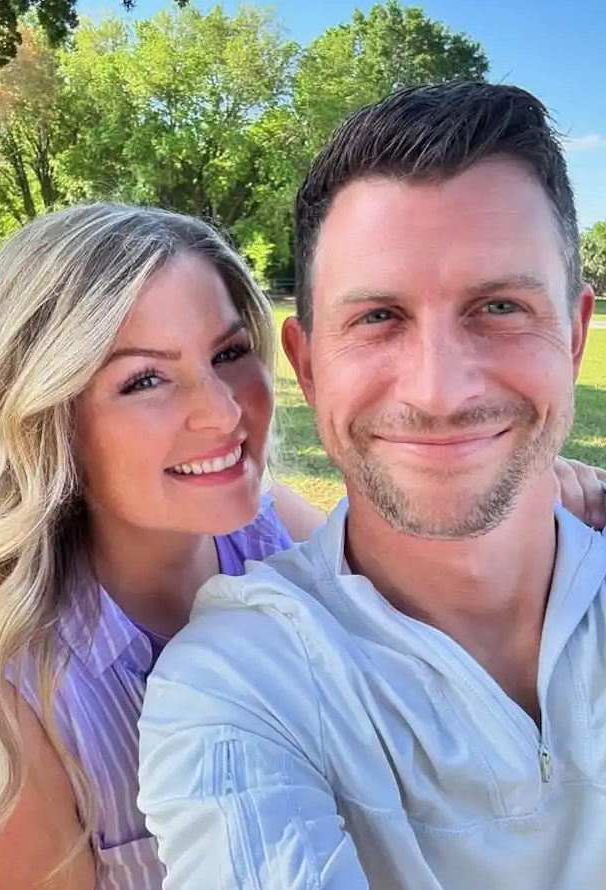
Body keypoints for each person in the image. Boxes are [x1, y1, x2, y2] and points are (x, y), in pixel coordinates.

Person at [0, 202, 605, 890]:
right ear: (47, 419)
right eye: (144, 380)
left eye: (229, 354)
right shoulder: (13, 701)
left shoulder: (265, 529)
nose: (222, 412)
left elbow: (395, 569)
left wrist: (530, 484)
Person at [136, 82, 606, 890]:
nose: (439, 391)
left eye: (499, 306)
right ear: (308, 365)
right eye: (379, 317)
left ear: (573, 336)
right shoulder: (243, 681)